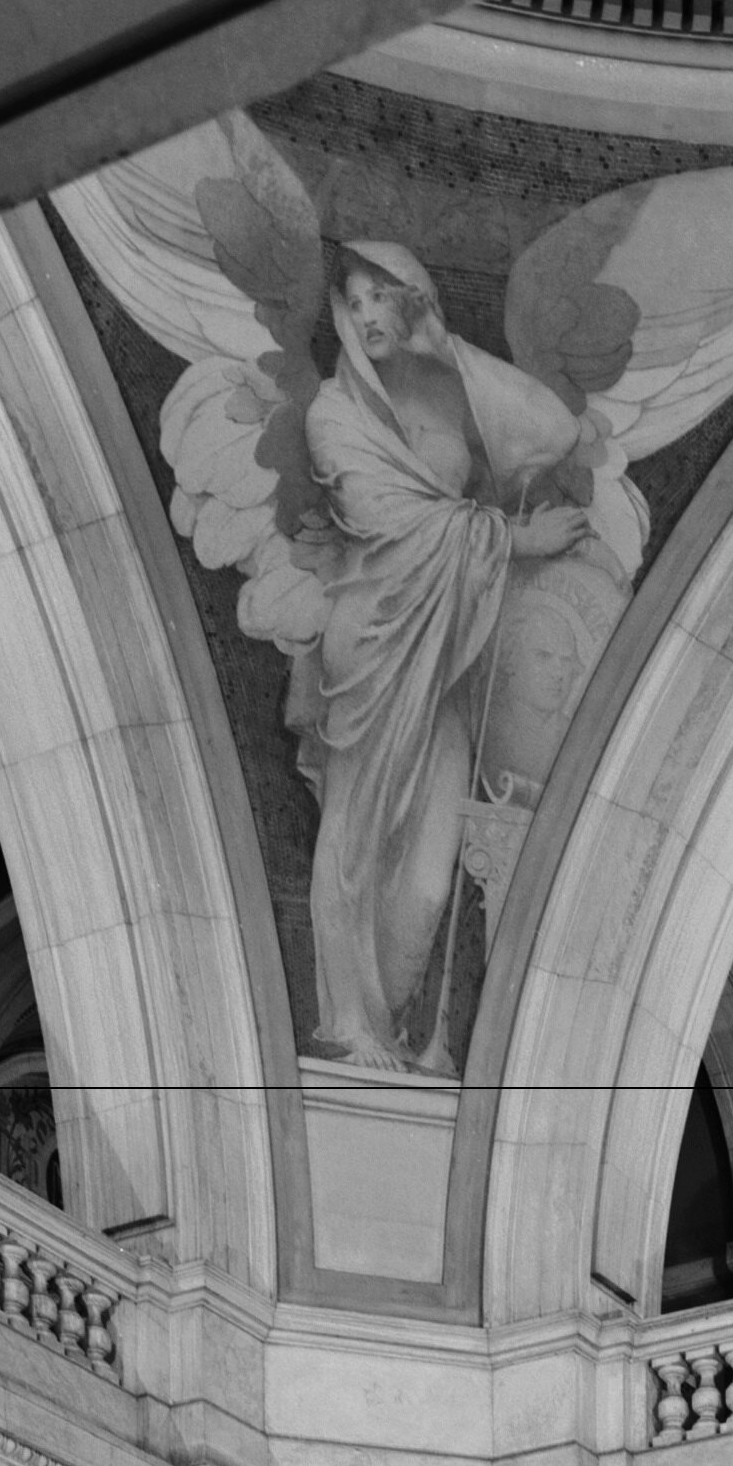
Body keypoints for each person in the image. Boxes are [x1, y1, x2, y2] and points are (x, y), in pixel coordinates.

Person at [286, 243, 605, 1063]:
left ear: (413, 298)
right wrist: (514, 539)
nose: (366, 313)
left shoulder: (452, 396)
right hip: (372, 646)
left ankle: (389, 1023)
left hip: (449, 651)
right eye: (354, 300)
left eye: (381, 295)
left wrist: (448, 349)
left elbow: (554, 432)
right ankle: (351, 1022)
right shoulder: (335, 413)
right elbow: (386, 520)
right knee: (354, 838)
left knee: (430, 880)